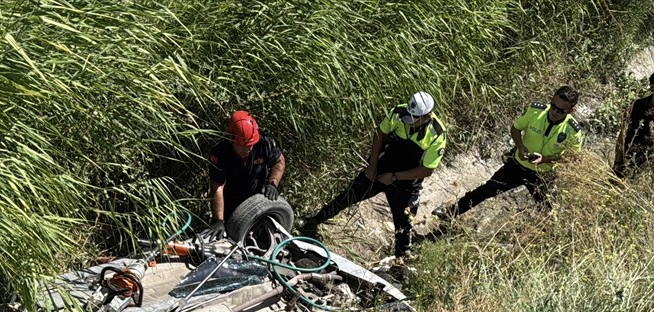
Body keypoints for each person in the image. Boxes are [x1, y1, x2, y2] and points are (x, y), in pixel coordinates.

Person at [297, 92, 447, 258]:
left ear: (426, 117)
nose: (408, 122)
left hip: (406, 184)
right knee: (347, 196)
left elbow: (427, 170)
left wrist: (395, 177)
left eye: (413, 120)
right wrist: (372, 164)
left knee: (404, 226)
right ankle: (313, 221)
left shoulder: (437, 135)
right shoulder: (399, 112)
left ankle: (400, 264)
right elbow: (379, 133)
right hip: (380, 170)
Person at [432, 85, 583, 225]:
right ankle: (450, 212)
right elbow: (515, 129)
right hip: (517, 166)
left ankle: (548, 238)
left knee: (548, 209)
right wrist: (521, 147)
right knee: (487, 190)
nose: (555, 112)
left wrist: (545, 159)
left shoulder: (573, 131)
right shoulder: (536, 111)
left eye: (561, 110)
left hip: (542, 175)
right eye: (553, 106)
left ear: (570, 110)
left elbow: (572, 157)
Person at [207, 110, 286, 235]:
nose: (248, 149)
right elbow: (217, 187)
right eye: (243, 145)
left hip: (258, 200)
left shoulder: (264, 144)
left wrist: (272, 183)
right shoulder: (220, 153)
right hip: (230, 204)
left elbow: (279, 162)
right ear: (231, 139)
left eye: (251, 144)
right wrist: (218, 220)